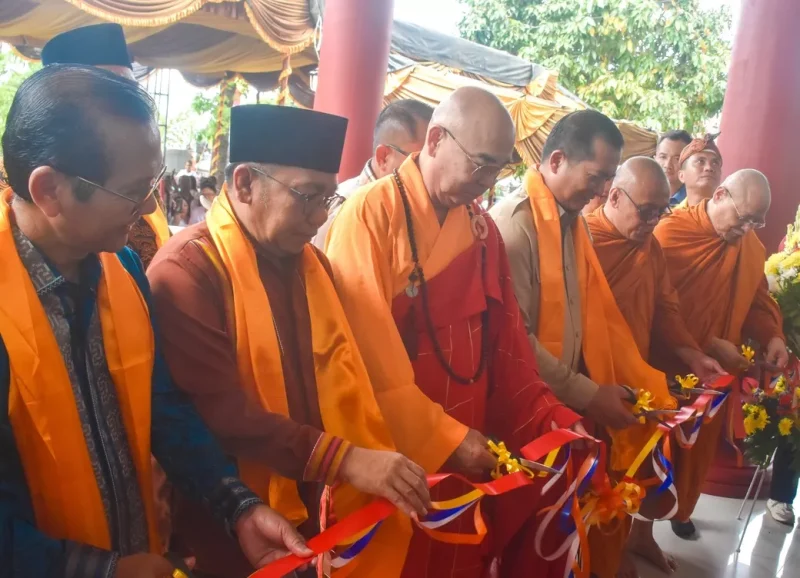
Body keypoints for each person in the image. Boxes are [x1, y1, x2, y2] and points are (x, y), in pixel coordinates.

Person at [0, 65, 312, 578]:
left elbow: (161, 407)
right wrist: (102, 571)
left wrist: (239, 507)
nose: (150, 206)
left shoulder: (120, 268)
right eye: (133, 190)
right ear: (50, 189)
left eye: (154, 184)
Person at [147, 104, 431, 578]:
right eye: (307, 196)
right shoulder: (188, 272)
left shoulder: (311, 266)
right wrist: (348, 460)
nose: (320, 217)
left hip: (311, 506)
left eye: (328, 198)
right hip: (225, 520)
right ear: (244, 183)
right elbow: (223, 416)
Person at [326, 86, 582, 578]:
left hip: (471, 438)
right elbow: (364, 356)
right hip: (399, 448)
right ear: (437, 139)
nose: (486, 184)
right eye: (480, 165)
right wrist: (443, 436)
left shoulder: (480, 226)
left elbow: (507, 343)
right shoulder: (370, 215)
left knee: (455, 560)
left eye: (498, 170)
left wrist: (545, 414)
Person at [490, 110, 676, 578]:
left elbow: (586, 316)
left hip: (562, 402)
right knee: (520, 537)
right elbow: (517, 342)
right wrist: (590, 394)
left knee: (554, 531)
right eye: (597, 177)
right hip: (524, 410)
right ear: (556, 160)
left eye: (610, 178)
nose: (601, 191)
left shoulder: (571, 220)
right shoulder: (518, 226)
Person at [585, 157, 725, 576]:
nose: (652, 221)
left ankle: (615, 555)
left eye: (659, 212)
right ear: (613, 196)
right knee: (588, 481)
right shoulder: (582, 239)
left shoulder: (651, 247)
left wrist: (691, 354)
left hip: (634, 379)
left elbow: (666, 309)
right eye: (645, 211)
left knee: (628, 475)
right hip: (586, 384)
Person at [653, 168, 789, 539]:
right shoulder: (671, 233)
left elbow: (758, 302)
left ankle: (682, 512)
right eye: (743, 218)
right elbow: (655, 307)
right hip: (666, 362)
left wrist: (772, 336)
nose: (747, 230)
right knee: (655, 454)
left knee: (697, 450)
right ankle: (640, 531)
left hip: (714, 375)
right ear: (718, 197)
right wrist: (711, 343)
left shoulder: (750, 247)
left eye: (755, 222)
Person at [41, 23, 171, 268]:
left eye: (130, 94)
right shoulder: (32, 192)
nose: (126, 108)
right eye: (108, 94)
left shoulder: (140, 186)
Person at [312, 99, 433, 249]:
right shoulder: (349, 210)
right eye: (418, 161)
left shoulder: (411, 205)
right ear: (383, 157)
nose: (430, 174)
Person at [675, 133, 723, 209]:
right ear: (681, 176)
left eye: (715, 163)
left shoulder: (732, 216)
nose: (709, 168)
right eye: (700, 161)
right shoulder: (671, 217)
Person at [654, 130, 693, 207]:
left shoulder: (693, 201)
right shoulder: (644, 195)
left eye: (677, 159)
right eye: (663, 157)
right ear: (654, 159)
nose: (668, 165)